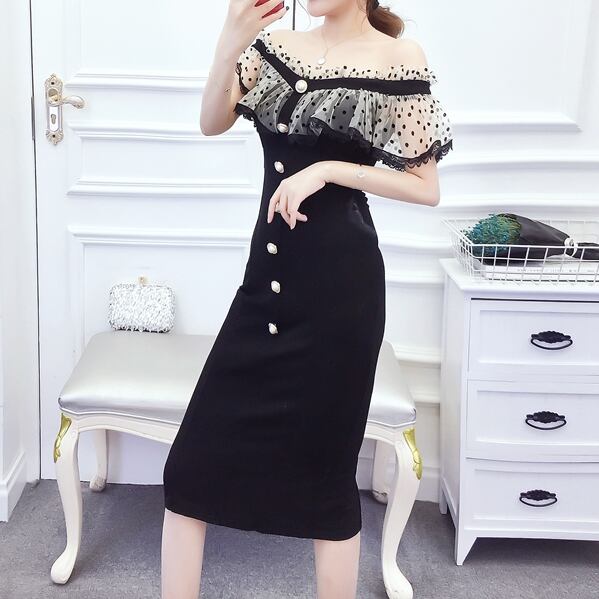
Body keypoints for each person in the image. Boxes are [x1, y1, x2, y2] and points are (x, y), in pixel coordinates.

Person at [161, 1, 453, 597]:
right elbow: (211, 122)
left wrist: (328, 170)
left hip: (340, 299)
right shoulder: (278, 48)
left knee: (325, 484)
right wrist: (229, 40)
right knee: (189, 471)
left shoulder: (398, 58)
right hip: (264, 289)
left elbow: (426, 187)